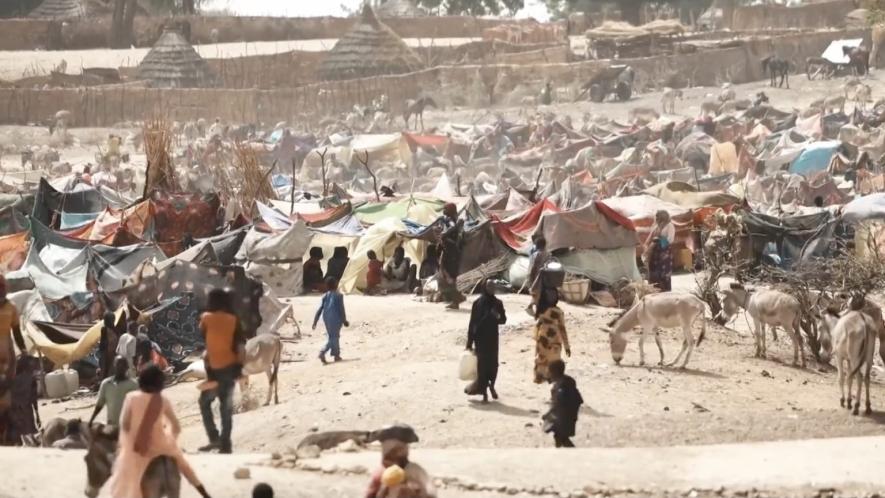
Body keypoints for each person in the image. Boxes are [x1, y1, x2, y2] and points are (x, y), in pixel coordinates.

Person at [107, 365, 211, 498]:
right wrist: (169, 440)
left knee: (121, 481)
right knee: (185, 467)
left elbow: (125, 425)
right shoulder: (162, 400)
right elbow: (176, 427)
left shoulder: (131, 398)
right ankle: (203, 492)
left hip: (137, 450)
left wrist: (125, 446)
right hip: (162, 446)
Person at [198, 289, 244, 455]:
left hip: (213, 370)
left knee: (204, 403)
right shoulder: (234, 320)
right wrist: (239, 367)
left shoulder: (205, 318)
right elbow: (240, 347)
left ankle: (214, 438)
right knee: (226, 408)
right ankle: (226, 445)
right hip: (230, 369)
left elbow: (204, 339)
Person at [465, 280, 507, 403]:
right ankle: (484, 393)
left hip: (493, 339)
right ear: (484, 287)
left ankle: (492, 386)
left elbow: (503, 320)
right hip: (480, 339)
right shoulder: (477, 303)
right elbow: (472, 323)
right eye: (489, 286)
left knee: (494, 365)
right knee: (482, 366)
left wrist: (497, 316)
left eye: (493, 286)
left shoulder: (498, 303)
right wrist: (469, 342)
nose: (491, 288)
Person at [365, 426, 436, 498]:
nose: (391, 458)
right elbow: (370, 494)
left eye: (396, 451)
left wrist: (416, 491)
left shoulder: (415, 471)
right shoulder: (380, 473)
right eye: (388, 453)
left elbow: (430, 493)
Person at [533, 287, 570, 384]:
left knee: (552, 359)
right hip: (545, 338)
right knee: (542, 358)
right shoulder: (542, 309)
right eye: (550, 295)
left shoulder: (555, 311)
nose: (552, 297)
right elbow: (537, 324)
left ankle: (549, 376)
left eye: (553, 295)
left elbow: (562, 328)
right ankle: (541, 376)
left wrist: (567, 346)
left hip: (552, 339)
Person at [542, 360, 583, 448]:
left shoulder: (561, 386)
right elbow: (578, 400)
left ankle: (572, 455)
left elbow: (558, 403)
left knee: (562, 437)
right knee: (560, 436)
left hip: (563, 417)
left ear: (554, 373)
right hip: (568, 415)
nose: (548, 374)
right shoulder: (567, 381)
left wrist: (548, 414)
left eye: (549, 372)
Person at [90, 356, 138, 427]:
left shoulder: (133, 385)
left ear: (127, 367)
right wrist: (91, 420)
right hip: (111, 426)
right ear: (114, 365)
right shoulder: (106, 384)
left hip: (128, 426)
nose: (120, 367)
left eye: (123, 365)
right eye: (118, 364)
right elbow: (100, 404)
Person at [313, 277, 348, 364]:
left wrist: (315, 321)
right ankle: (323, 352)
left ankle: (336, 355)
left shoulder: (325, 295)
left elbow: (320, 309)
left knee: (333, 336)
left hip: (326, 317)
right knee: (334, 337)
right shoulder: (339, 295)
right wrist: (344, 320)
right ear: (336, 285)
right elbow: (341, 309)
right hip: (336, 318)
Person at [438, 203, 465, 310]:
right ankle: (457, 298)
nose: (443, 210)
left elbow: (453, 227)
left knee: (450, 276)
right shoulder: (453, 219)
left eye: (445, 209)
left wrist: (444, 234)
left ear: (450, 210)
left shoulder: (451, 221)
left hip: (451, 253)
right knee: (450, 276)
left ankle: (457, 299)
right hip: (452, 252)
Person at [7, 355, 39, 445]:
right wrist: (37, 413)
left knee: (20, 430)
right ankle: (31, 442)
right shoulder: (31, 379)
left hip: (15, 408)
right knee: (28, 427)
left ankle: (26, 442)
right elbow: (34, 398)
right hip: (26, 408)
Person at [645, 210, 676, 292]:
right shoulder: (656, 226)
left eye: (658, 216)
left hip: (664, 252)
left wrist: (659, 240)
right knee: (654, 271)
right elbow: (650, 238)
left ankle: (665, 291)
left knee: (664, 272)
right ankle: (656, 291)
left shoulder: (669, 226)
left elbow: (670, 239)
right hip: (655, 252)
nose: (656, 218)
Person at [527, 237, 549, 315]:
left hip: (537, 278)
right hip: (544, 278)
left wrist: (530, 279)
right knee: (539, 296)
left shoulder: (535, 255)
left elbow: (532, 268)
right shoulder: (548, 254)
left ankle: (532, 308)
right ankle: (535, 310)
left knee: (537, 295)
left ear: (536, 245)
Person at [98, 312, 118, 380]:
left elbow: (103, 342)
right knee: (109, 370)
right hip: (112, 352)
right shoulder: (116, 329)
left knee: (105, 370)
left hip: (107, 352)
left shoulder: (104, 329)